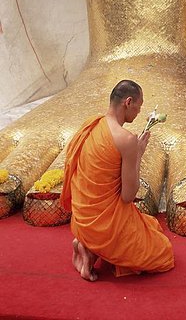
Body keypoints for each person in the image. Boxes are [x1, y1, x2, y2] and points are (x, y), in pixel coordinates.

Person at [60, 79, 174, 281]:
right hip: (105, 224)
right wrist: (138, 154)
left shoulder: (92, 125)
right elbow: (128, 196)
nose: (139, 112)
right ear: (128, 102)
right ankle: (94, 246)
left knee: (150, 226)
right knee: (162, 254)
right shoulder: (126, 139)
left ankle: (88, 247)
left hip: (82, 218)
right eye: (139, 106)